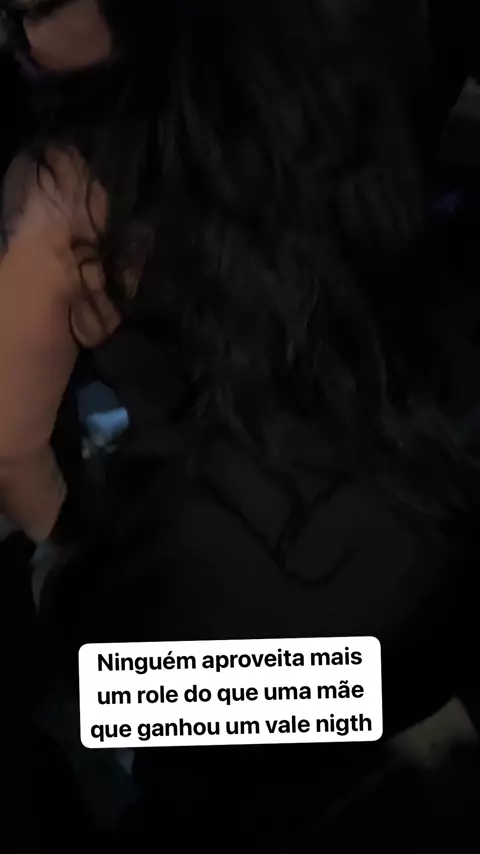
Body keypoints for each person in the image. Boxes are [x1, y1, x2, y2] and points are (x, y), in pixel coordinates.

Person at [0, 1, 478, 849]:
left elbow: (9, 448)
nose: (11, 40)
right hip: (435, 592)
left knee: (89, 682)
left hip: (237, 675)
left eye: (25, 12)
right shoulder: (355, 48)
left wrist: (64, 561)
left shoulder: (65, 188)